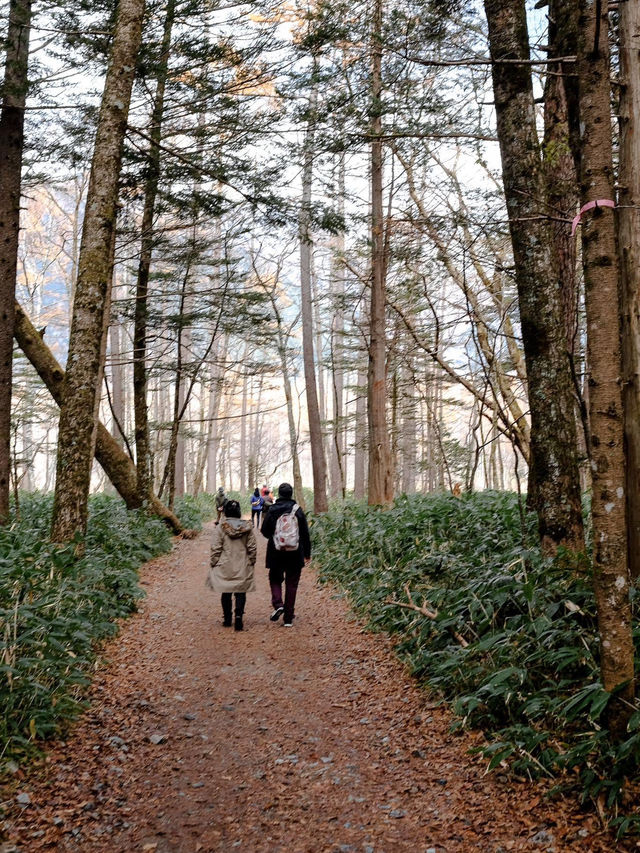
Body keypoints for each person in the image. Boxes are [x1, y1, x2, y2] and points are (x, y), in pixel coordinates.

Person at [260, 482, 311, 627]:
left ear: (279, 494)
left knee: (275, 579)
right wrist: (307, 554)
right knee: (292, 584)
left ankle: (278, 604)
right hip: (295, 553)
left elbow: (264, 531)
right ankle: (288, 618)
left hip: (276, 552)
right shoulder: (298, 510)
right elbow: (305, 534)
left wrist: (275, 536)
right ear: (291, 494)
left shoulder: (273, 510)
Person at [206, 499, 256, 631]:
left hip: (225, 564)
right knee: (240, 591)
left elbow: (216, 547)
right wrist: (251, 561)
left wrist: (214, 562)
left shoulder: (220, 528)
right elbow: (252, 547)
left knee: (226, 591)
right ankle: (239, 616)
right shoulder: (247, 528)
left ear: (226, 512)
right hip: (242, 563)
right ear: (239, 512)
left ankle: (227, 618)